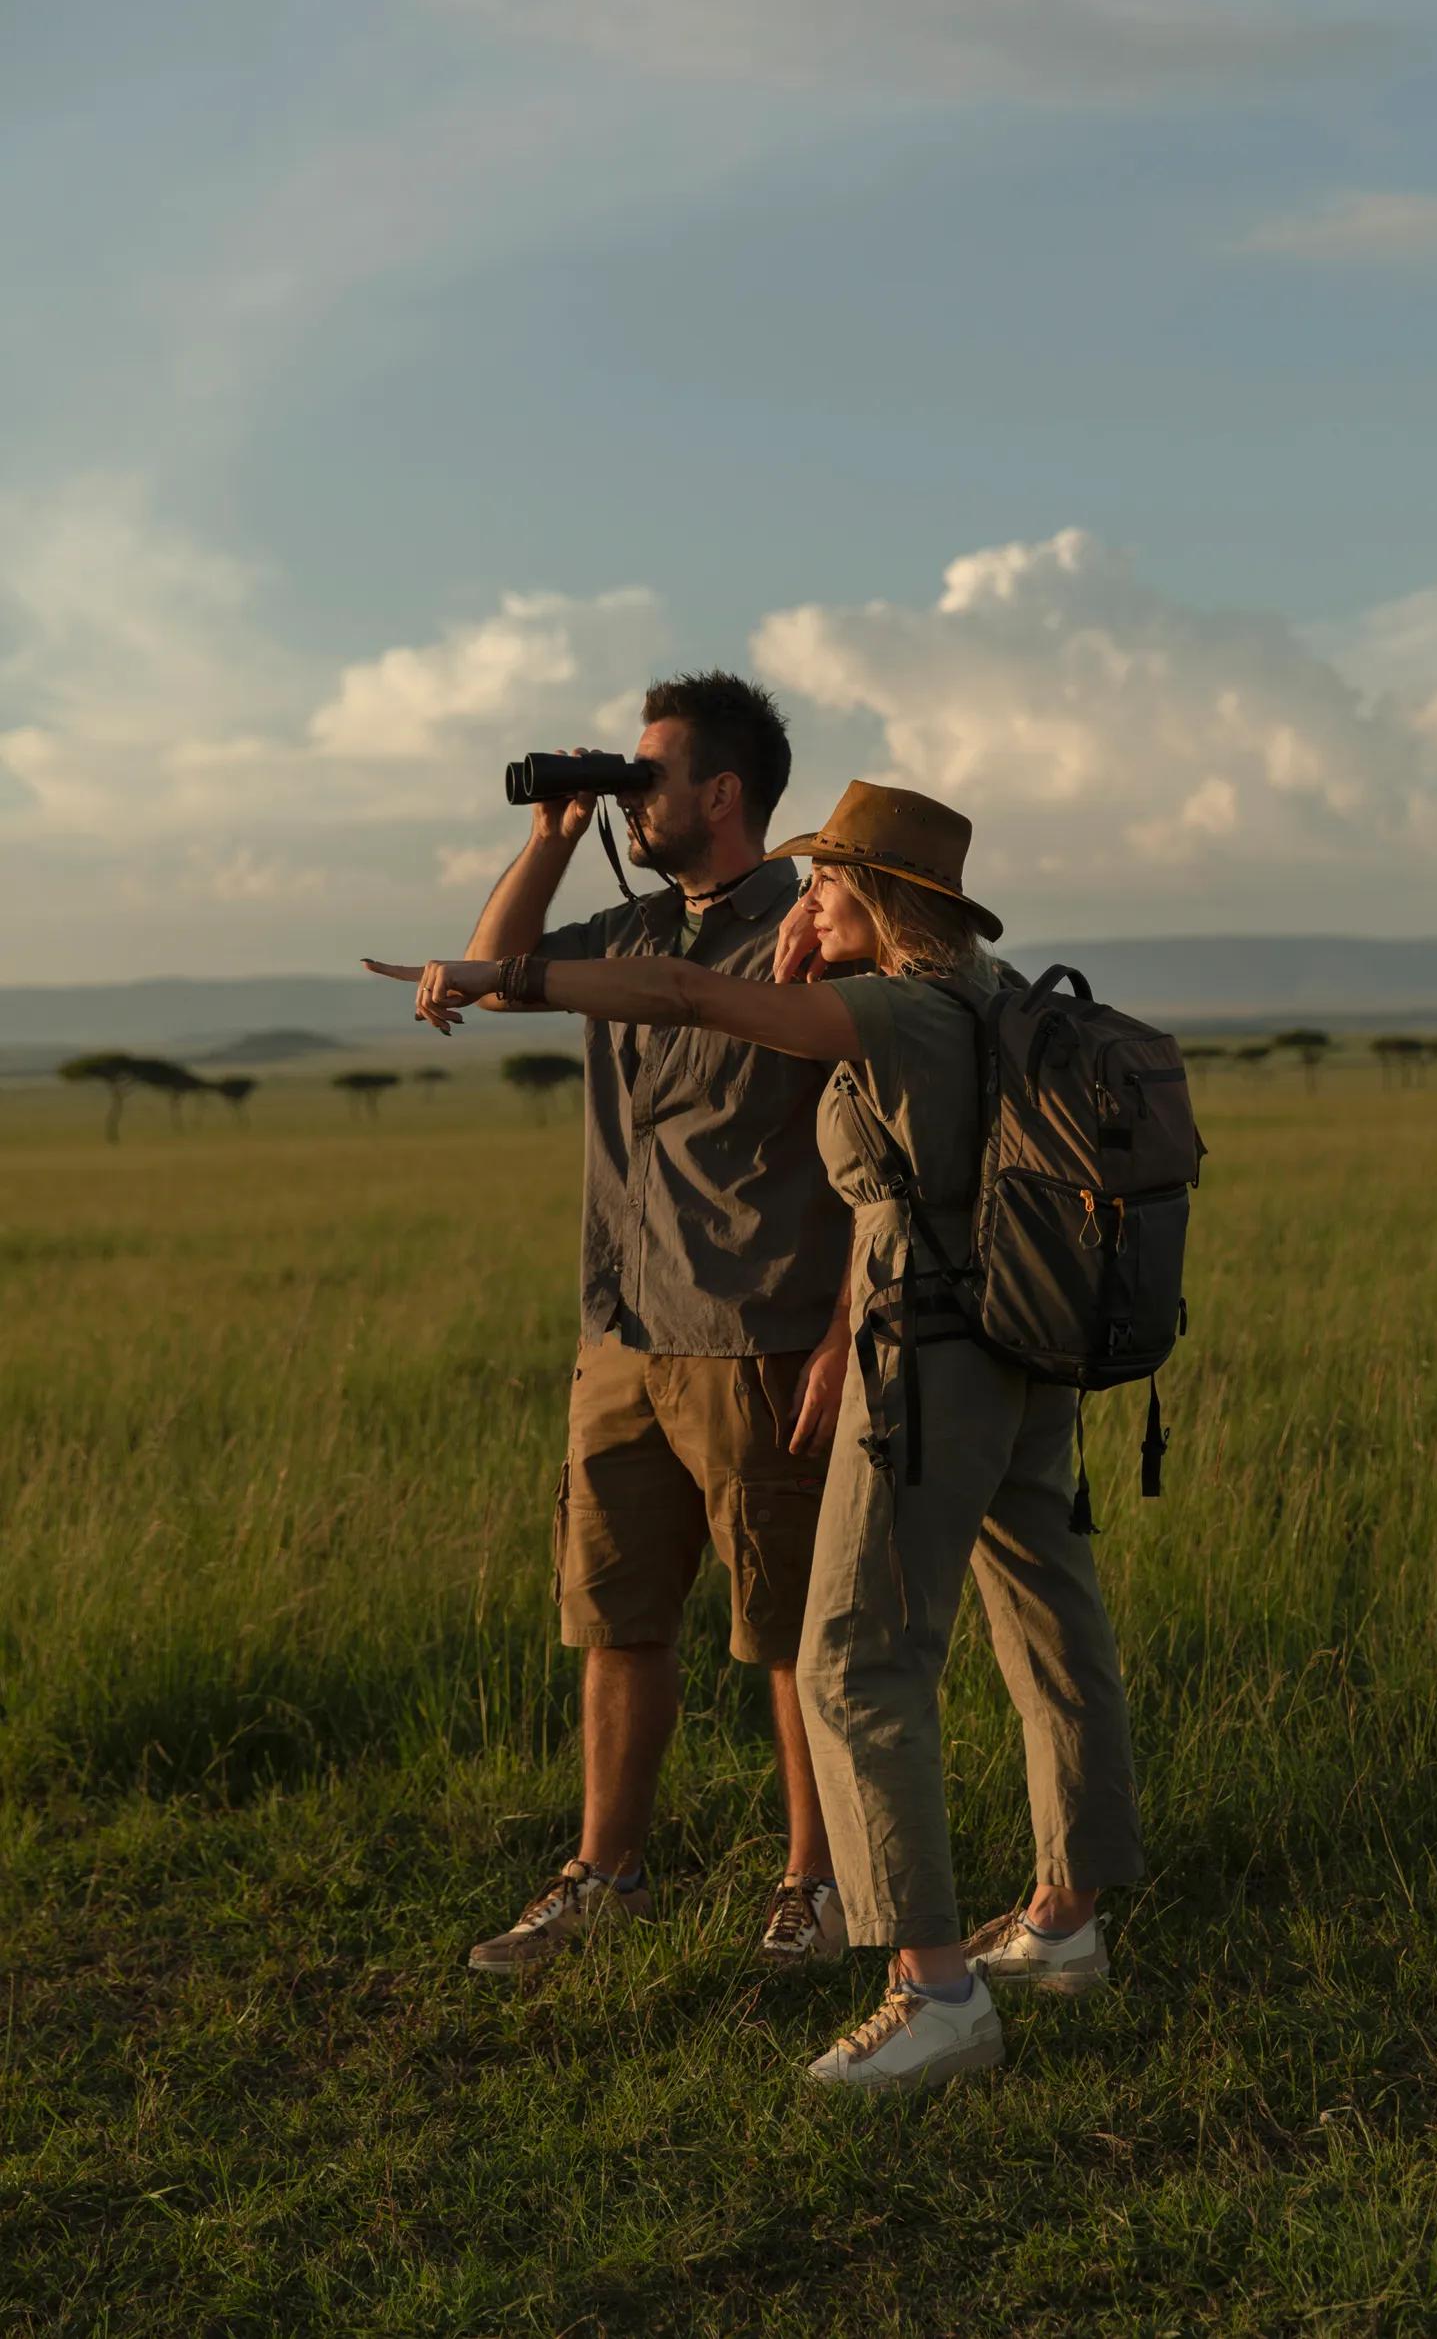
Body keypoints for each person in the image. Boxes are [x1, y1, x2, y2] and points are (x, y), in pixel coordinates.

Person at [367, 778, 1144, 2091]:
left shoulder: (894, 1007)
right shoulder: (991, 995)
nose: (807, 896)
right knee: (1051, 1628)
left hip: (924, 1356)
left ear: (879, 897)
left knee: (854, 1661)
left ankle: (934, 1990)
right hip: (1024, 1345)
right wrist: (808, 963)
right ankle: (1066, 1922)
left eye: (827, 880)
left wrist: (513, 976)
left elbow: (685, 997)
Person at [450, 675, 854, 1974]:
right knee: (618, 1616)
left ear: (722, 793)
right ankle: (604, 1876)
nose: (633, 796)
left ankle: (816, 1887)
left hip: (758, 1331)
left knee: (787, 1632)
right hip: (621, 1329)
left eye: (648, 776)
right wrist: (554, 834)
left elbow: (882, 1150)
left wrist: (844, 1331)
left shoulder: (806, 932)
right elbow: (499, 975)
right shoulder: (629, 927)